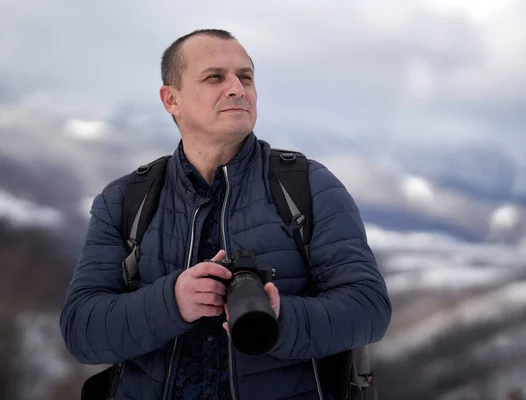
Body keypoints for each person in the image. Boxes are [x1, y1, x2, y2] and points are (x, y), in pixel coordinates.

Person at [59, 28, 392, 400]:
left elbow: (370, 308)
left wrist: (280, 319)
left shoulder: (308, 186)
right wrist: (172, 302)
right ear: (171, 99)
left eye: (245, 76)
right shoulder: (126, 200)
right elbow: (81, 330)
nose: (237, 88)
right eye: (215, 77)